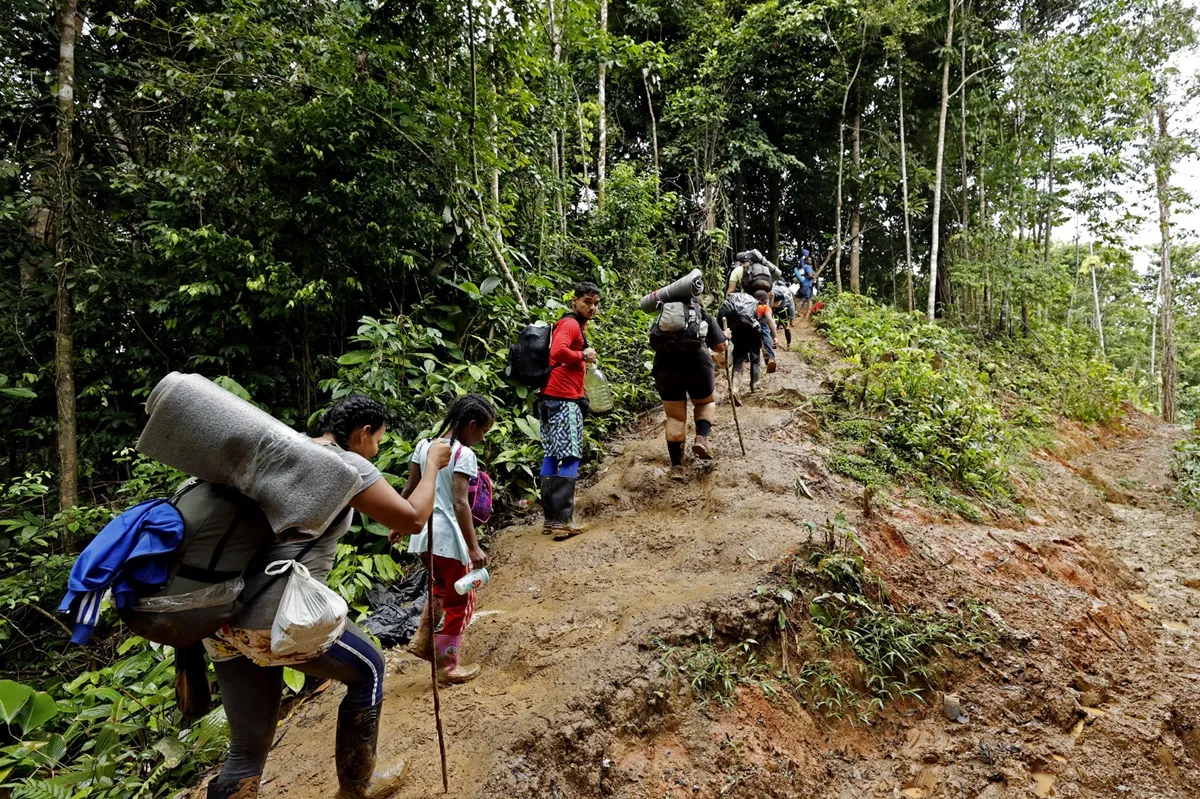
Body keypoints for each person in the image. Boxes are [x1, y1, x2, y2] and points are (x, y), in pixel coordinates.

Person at [204, 395, 452, 799]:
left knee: (245, 753)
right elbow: (412, 518)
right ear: (362, 433)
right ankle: (358, 786)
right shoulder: (345, 463)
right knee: (369, 669)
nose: (377, 449)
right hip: (276, 617)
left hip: (220, 618)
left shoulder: (285, 451)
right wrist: (431, 468)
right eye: (378, 441)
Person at [398, 394, 495, 685]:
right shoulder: (463, 454)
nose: (481, 438)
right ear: (471, 424)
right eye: (482, 432)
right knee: (461, 601)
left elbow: (410, 488)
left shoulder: (424, 446)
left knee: (439, 587)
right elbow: (459, 503)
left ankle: (423, 639)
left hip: (423, 538)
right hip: (449, 540)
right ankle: (448, 666)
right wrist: (474, 547)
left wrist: (398, 524)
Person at [540, 281, 601, 540]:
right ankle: (563, 521)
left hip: (551, 398)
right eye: (587, 301)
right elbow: (558, 352)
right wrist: (582, 356)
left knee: (553, 455)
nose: (592, 307)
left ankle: (551, 520)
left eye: (596, 303)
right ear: (574, 301)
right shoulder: (570, 324)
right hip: (564, 399)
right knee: (571, 456)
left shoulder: (572, 324)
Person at [647, 295, 728, 480]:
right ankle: (701, 439)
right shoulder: (702, 314)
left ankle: (676, 467)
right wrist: (727, 338)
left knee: (675, 416)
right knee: (705, 402)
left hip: (665, 366)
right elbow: (720, 346)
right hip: (698, 364)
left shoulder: (664, 315)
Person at [719, 292, 764, 401]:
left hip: (735, 330)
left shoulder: (730, 304)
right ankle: (755, 385)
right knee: (755, 357)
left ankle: (735, 389)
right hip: (751, 330)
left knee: (738, 359)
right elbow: (761, 320)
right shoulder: (755, 304)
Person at [755, 289, 779, 374]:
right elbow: (770, 319)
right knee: (765, 332)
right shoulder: (765, 307)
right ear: (765, 300)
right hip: (762, 327)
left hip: (751, 329)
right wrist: (775, 336)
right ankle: (771, 357)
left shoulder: (751, 306)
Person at [771, 280, 796, 350]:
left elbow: (791, 306)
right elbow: (791, 306)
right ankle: (787, 345)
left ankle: (786, 344)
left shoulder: (775, 288)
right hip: (778, 308)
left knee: (778, 325)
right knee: (783, 327)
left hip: (778, 308)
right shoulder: (786, 291)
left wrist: (792, 317)